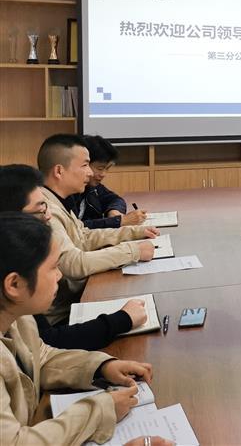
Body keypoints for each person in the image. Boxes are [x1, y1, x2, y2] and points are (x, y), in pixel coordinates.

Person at [0, 211, 155, 443]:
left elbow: (40, 357)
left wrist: (101, 367)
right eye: (53, 268)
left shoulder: (17, 316)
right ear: (14, 284)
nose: (59, 275)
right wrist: (99, 411)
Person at [0, 164, 147, 349]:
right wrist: (121, 320)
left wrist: (102, 364)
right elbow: (48, 341)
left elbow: (41, 351)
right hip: (61, 315)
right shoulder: (15, 264)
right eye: (85, 164)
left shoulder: (60, 204)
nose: (48, 216)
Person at [37, 134, 157, 324]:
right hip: (62, 315)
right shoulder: (44, 209)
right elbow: (74, 264)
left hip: (75, 300)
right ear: (59, 171)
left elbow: (84, 237)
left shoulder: (58, 200)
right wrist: (133, 251)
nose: (90, 173)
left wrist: (134, 232)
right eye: (85, 165)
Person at [65, 135, 147, 228]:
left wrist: (114, 211)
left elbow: (114, 199)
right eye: (100, 168)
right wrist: (118, 221)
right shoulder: (66, 192)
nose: (103, 174)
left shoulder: (92, 187)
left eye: (107, 168)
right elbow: (75, 228)